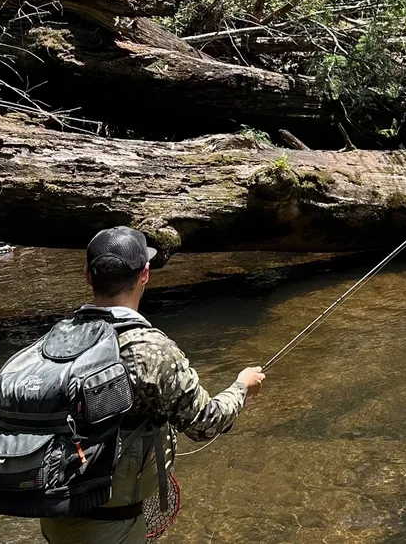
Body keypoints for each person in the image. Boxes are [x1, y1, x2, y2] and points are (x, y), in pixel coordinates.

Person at [39, 226, 265, 544]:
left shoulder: (56, 339)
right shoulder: (152, 350)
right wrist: (241, 388)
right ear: (145, 273)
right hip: (110, 528)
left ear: (88, 276)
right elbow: (205, 424)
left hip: (54, 517)